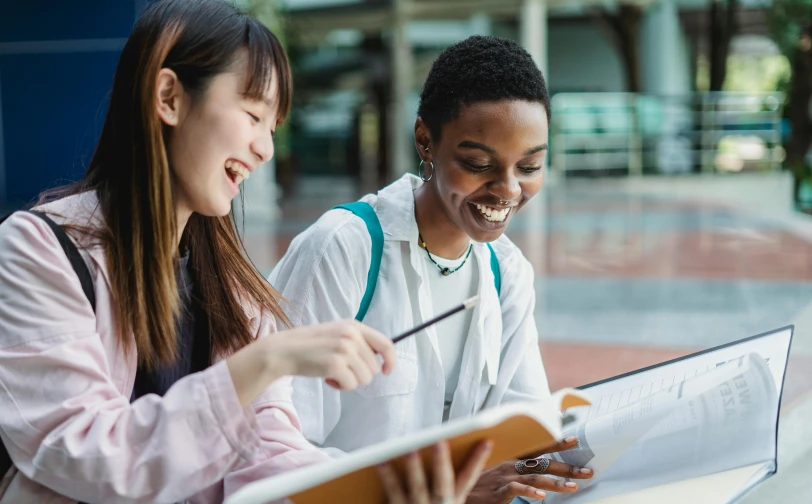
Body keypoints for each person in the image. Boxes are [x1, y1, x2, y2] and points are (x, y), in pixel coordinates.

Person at [0, 1, 490, 502]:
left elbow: (270, 459)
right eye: (253, 115)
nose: (265, 149)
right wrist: (265, 361)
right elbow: (83, 454)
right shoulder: (38, 251)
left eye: (271, 127)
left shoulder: (234, 288)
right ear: (169, 97)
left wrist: (384, 485)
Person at [270, 35, 594, 503]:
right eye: (478, 163)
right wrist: (450, 488)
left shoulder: (507, 273)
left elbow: (522, 428)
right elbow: (277, 453)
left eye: (529, 166)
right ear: (426, 140)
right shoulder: (343, 250)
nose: (507, 190)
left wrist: (552, 459)